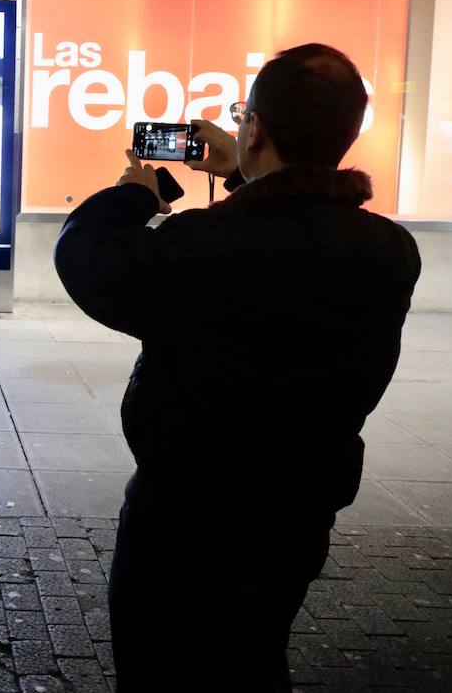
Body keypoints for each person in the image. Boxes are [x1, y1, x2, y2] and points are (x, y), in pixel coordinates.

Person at [53, 44, 421, 692]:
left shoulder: (203, 246)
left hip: (185, 524)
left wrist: (134, 196)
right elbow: (293, 236)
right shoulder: (388, 250)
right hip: (296, 519)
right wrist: (248, 178)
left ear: (254, 130)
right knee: (254, 659)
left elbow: (88, 260)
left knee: (160, 671)